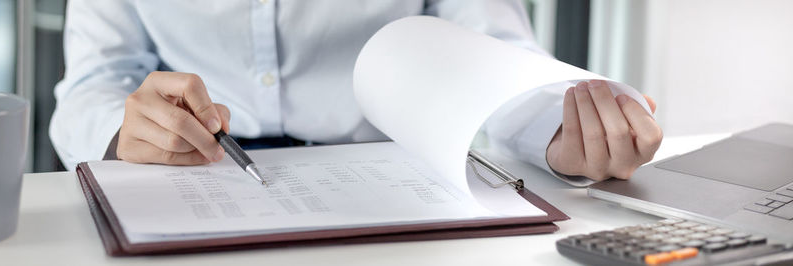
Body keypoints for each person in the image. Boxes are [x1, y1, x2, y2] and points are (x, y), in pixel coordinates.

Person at [50, 1, 662, 186]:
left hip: (387, 180)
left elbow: (494, 54)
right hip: (196, 173)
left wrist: (560, 133)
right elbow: (91, 85)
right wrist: (120, 127)